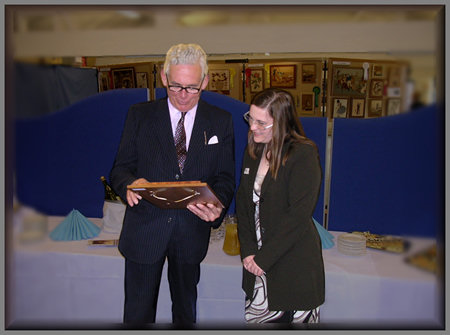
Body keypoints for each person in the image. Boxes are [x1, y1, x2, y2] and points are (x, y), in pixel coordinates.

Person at [110, 43, 235, 326]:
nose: (182, 95)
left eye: (192, 88)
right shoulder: (139, 115)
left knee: (184, 314)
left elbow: (225, 178)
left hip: (190, 232)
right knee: (137, 316)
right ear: (164, 77)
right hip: (145, 231)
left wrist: (217, 205)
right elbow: (120, 169)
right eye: (176, 85)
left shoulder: (221, 121)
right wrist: (129, 183)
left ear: (204, 81)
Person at [236, 88, 325, 324]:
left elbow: (298, 216)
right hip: (256, 265)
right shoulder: (253, 150)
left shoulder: (303, 154)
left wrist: (262, 259)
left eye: (261, 123)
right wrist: (248, 251)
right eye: (251, 118)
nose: (253, 127)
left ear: (282, 124)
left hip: (293, 264)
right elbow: (243, 203)